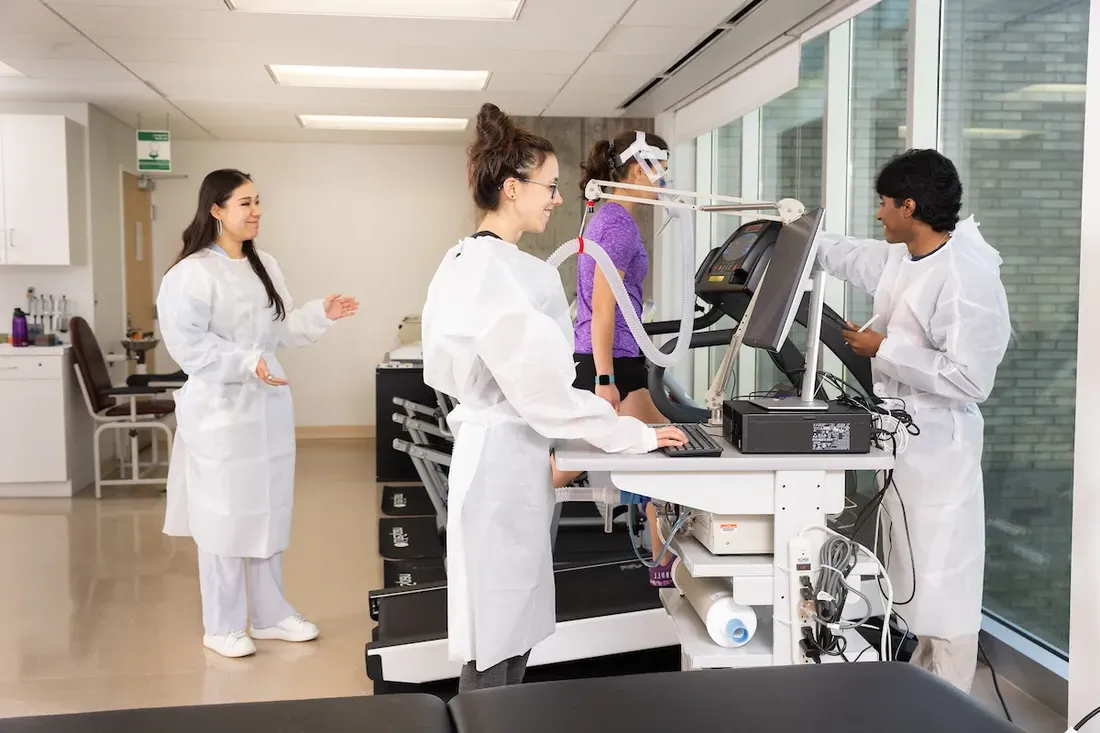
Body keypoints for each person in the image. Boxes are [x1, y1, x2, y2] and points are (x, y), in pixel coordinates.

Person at [420, 103, 686, 693]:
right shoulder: (507, 273)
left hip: (501, 457)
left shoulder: (469, 259)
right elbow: (543, 395)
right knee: (496, 631)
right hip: (504, 465)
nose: (558, 200)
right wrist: (632, 432)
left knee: (504, 621)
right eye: (549, 187)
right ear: (512, 188)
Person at [815, 149, 1011, 691]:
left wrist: (885, 347)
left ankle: (949, 708)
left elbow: (972, 379)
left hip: (940, 450)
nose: (878, 215)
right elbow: (853, 257)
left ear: (910, 206)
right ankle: (916, 696)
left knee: (944, 588)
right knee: (909, 578)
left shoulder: (967, 277)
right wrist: (796, 232)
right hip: (902, 443)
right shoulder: (908, 256)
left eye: (883, 204)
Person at [157, 169, 359, 659]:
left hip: (266, 408)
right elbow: (189, 345)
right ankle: (221, 625)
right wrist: (247, 363)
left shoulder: (263, 263)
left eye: (258, 201)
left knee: (268, 509)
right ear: (216, 210)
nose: (255, 212)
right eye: (245, 203)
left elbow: (282, 329)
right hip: (221, 412)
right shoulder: (191, 274)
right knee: (224, 516)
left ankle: (269, 616)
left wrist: (320, 314)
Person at [571, 130, 676, 586]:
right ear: (637, 170)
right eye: (660, 174)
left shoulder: (609, 218)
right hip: (611, 360)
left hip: (618, 356)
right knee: (662, 454)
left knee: (657, 458)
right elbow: (603, 306)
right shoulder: (616, 223)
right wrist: (604, 377)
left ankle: (662, 565)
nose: (664, 185)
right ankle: (664, 566)